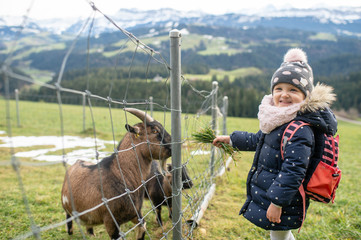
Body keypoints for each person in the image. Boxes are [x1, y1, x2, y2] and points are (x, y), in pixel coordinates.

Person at [212, 48, 337, 240]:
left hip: (284, 197)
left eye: (293, 90)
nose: (284, 95)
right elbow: (258, 139)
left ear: (306, 96)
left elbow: (294, 170)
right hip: (277, 193)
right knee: (280, 234)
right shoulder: (279, 120)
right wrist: (231, 139)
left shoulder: (300, 129)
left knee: (279, 235)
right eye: (279, 89)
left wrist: (277, 203)